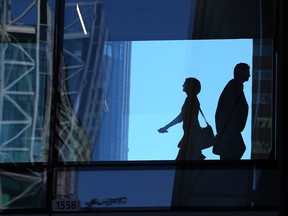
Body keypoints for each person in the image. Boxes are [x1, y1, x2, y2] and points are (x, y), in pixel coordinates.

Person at [158, 77, 205, 160]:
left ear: (190, 86)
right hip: (191, 133)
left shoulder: (190, 99)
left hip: (191, 134)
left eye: (185, 83)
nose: (183, 85)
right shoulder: (192, 99)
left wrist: (166, 127)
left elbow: (181, 117)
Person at [213, 62, 250, 160]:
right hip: (230, 129)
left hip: (230, 129)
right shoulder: (234, 85)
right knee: (236, 149)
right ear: (241, 72)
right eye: (247, 72)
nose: (249, 75)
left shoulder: (234, 85)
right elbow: (229, 108)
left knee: (237, 149)